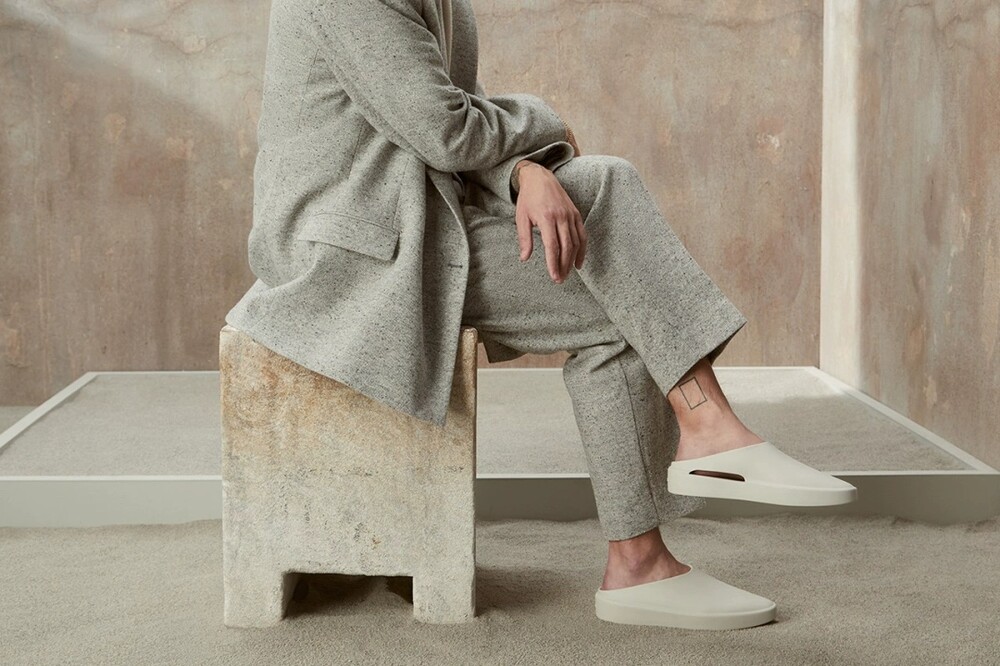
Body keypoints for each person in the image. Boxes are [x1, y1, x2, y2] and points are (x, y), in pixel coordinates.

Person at [227, 0, 858, 630]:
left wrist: (525, 171)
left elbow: (457, 122)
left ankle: (682, 479)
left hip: (421, 220)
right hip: (354, 254)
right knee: (624, 290)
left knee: (607, 198)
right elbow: (446, 129)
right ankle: (666, 510)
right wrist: (545, 123)